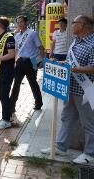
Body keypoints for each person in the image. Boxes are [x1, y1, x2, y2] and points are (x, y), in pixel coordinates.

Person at [41, 15, 94, 164]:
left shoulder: (93, 43)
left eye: (74, 23)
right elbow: (70, 62)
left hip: (86, 91)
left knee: (88, 123)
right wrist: (60, 63)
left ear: (82, 25)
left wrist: (73, 69)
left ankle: (90, 153)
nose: (71, 25)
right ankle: (60, 146)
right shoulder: (76, 41)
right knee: (67, 118)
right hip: (71, 88)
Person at [10, 15, 44, 115]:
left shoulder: (32, 33)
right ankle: (12, 105)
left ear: (26, 22)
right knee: (16, 84)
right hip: (20, 61)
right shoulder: (17, 36)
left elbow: (40, 47)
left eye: (21, 22)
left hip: (31, 61)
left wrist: (41, 60)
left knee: (33, 82)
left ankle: (38, 103)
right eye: (18, 22)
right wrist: (15, 61)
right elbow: (16, 50)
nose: (19, 24)